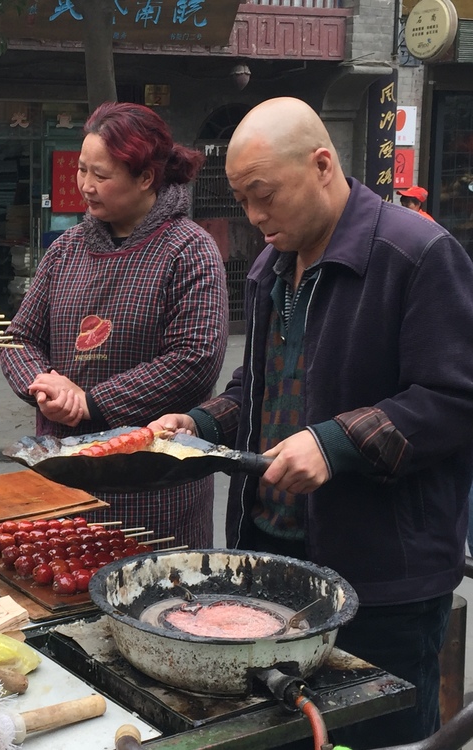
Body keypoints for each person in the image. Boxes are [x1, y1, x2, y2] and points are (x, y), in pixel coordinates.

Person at [149, 98, 473, 747]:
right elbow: (260, 388)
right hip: (274, 567)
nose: (253, 217)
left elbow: (454, 397)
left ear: (322, 164)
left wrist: (336, 442)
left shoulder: (417, 254)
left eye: (262, 195)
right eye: (241, 199)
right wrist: (200, 424)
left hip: (382, 583)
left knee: (377, 737)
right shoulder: (272, 268)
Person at [0, 102, 229, 547]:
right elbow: (19, 338)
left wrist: (92, 402)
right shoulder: (66, 248)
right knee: (64, 582)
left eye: (100, 175)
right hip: (65, 470)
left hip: (152, 478)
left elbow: (193, 360)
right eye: (81, 170)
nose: (85, 185)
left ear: (145, 178)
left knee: (155, 594)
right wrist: (44, 385)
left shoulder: (189, 250)